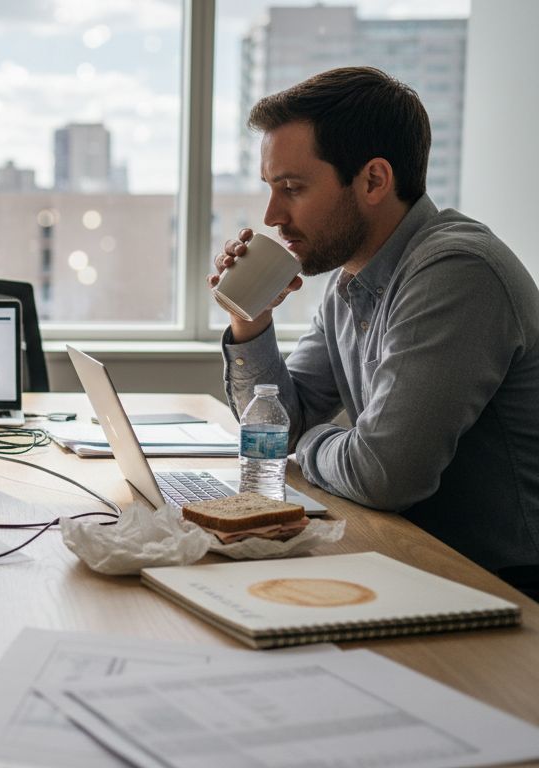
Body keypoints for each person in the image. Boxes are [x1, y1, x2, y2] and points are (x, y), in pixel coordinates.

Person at [210, 66, 539, 594]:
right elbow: (277, 421)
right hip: (417, 558)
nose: (272, 215)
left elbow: (384, 476)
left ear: (374, 180)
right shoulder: (351, 281)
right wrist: (250, 322)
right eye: (271, 189)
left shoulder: (456, 273)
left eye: (292, 188)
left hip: (500, 585)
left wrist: (306, 442)